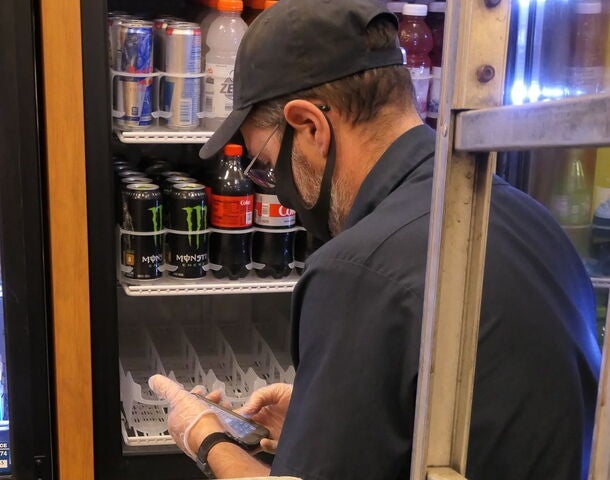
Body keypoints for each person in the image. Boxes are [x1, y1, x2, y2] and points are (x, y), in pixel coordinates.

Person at [149, 0, 602, 478]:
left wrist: (206, 436)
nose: (275, 187)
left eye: (264, 164)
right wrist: (319, 418)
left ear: (311, 126)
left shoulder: (357, 269)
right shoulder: (530, 217)